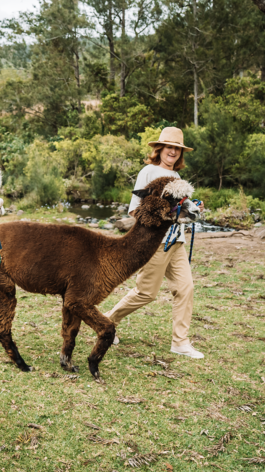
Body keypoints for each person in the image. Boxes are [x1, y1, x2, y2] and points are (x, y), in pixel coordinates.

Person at [104, 126, 205, 359]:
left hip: (177, 241)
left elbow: (178, 211)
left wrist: (192, 209)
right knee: (146, 293)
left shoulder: (177, 177)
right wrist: (161, 222)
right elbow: (134, 210)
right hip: (156, 244)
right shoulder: (148, 172)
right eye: (169, 147)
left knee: (185, 288)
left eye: (177, 149)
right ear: (159, 149)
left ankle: (180, 342)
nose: (173, 152)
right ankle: (107, 321)